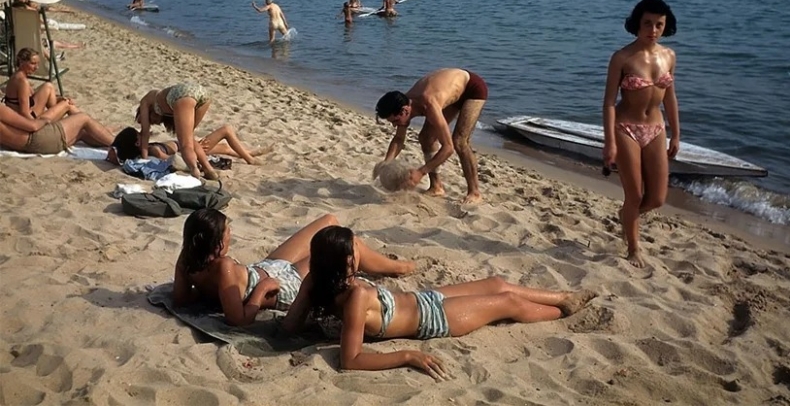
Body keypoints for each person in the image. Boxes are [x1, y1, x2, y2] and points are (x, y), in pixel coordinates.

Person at [283, 225, 597, 379]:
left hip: (423, 299)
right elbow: (350, 359)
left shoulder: (318, 282)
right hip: (433, 320)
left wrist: (305, 309)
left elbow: (288, 326)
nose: (358, 254)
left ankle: (565, 297)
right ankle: (560, 312)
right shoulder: (356, 296)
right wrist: (407, 355)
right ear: (344, 262)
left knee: (496, 284)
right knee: (507, 301)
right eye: (353, 251)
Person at [173, 211, 414, 326]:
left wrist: (210, 293)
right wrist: (260, 291)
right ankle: (400, 268)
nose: (231, 234)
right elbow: (238, 320)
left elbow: (181, 299)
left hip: (264, 268)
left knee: (328, 221)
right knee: (346, 245)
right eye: (228, 231)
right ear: (217, 244)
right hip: (281, 284)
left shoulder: (187, 259)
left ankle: (393, 266)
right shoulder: (224, 267)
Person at [602, 0, 680, 268]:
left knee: (657, 198)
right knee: (634, 195)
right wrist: (610, 142)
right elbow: (609, 102)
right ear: (637, 23)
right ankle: (633, 248)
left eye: (659, 24)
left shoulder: (669, 56)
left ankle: (627, 215)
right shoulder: (622, 57)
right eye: (648, 23)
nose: (653, 30)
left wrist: (677, 134)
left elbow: (670, 97)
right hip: (626, 128)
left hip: (657, 128)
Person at [375, 68, 489, 204]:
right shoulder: (401, 104)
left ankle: (475, 192)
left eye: (395, 121)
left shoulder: (429, 104)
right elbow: (399, 139)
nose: (395, 125)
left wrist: (420, 172)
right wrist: (386, 163)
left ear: (405, 110)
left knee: (459, 141)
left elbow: (448, 148)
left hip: (472, 88)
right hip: (448, 91)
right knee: (426, 138)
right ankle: (436, 187)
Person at [136, 83, 217, 180]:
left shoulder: (145, 101)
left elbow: (145, 133)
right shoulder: (166, 109)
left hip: (182, 94)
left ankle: (195, 170)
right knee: (189, 137)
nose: (151, 123)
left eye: (149, 120)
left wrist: (144, 159)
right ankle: (209, 169)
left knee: (185, 145)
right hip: (202, 92)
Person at [106, 124, 274, 166]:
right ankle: (250, 158)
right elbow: (173, 161)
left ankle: (251, 153)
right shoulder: (154, 151)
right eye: (140, 135)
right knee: (226, 130)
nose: (144, 135)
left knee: (223, 148)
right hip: (190, 148)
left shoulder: (147, 148)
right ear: (136, 142)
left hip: (191, 145)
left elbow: (115, 151)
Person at [0, 103, 114, 155]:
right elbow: (32, 126)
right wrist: (45, 120)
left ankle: (106, 137)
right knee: (83, 118)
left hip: (30, 145)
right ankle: (120, 145)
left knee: (81, 132)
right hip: (37, 140)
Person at [2, 48, 81, 120]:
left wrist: (60, 99)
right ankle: (83, 122)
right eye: (33, 63)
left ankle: (65, 119)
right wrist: (36, 125)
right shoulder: (22, 81)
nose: (36, 67)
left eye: (37, 64)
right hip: (29, 119)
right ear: (21, 62)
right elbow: (24, 112)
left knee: (49, 86)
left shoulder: (17, 76)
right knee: (68, 105)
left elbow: (31, 98)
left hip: (31, 113)